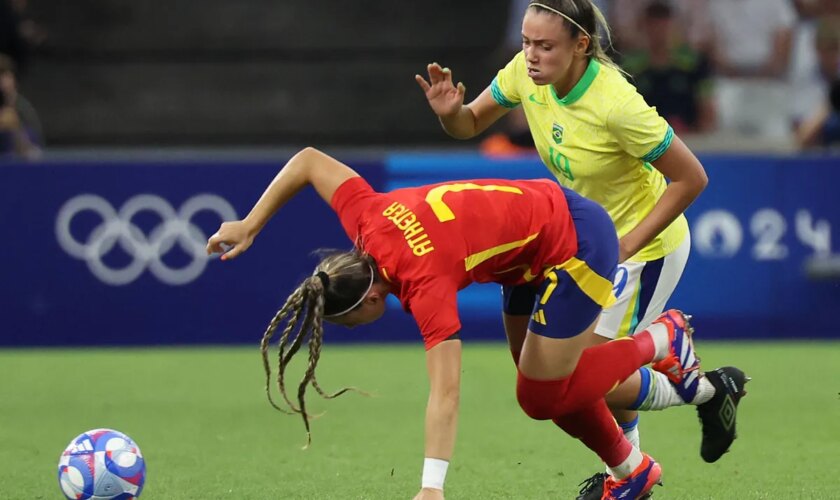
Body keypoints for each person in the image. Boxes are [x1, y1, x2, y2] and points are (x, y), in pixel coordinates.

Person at [206, 146, 722, 499]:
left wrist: (432, 485)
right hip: (530, 239)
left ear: (365, 304)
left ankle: (662, 338)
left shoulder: (422, 284)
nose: (351, 331)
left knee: (539, 394)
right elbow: (309, 161)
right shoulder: (366, 217)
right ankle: (632, 472)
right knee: (541, 380)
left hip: (576, 241)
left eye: (343, 325)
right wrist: (249, 224)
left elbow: (446, 394)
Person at [414, 1, 745, 496]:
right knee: (556, 374)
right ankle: (699, 395)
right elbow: (469, 125)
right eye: (526, 42)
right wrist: (451, 114)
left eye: (545, 46)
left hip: (643, 249)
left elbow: (691, 177)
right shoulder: (527, 74)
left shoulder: (616, 103)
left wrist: (629, 244)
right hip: (583, 244)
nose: (530, 55)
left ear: (580, 46)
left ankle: (640, 453)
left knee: (576, 380)